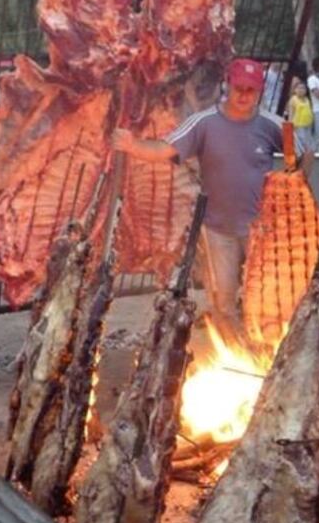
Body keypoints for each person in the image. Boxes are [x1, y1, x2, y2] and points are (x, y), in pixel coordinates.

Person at [112, 58, 283, 342]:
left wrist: (291, 188)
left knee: (264, 300)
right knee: (223, 301)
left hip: (261, 231)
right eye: (238, 88)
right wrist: (132, 146)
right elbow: (165, 149)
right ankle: (233, 352)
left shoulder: (271, 125)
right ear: (227, 85)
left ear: (259, 92)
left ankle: (262, 352)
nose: (243, 95)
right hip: (217, 231)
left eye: (250, 91)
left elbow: (302, 151)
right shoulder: (203, 123)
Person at [286, 77, 316, 174]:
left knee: (308, 141)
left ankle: (306, 158)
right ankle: (299, 159)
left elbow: (310, 110)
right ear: (295, 90)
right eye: (299, 88)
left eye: (303, 88)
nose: (301, 90)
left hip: (307, 124)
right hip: (298, 125)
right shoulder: (293, 100)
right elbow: (291, 113)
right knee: (301, 142)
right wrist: (290, 124)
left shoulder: (307, 99)